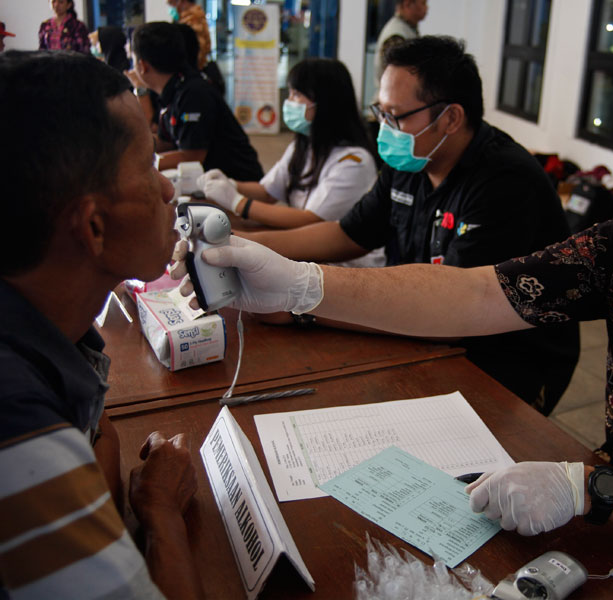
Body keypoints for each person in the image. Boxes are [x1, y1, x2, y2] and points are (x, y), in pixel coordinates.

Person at [173, 95, 613, 575]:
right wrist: (303, 286)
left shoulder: (501, 179)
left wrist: (593, 488)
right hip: (603, 542)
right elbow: (475, 293)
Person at [236, 36, 580, 413]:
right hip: (428, 335)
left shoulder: (506, 183)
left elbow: (451, 311)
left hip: (506, 358)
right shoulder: (411, 161)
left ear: (450, 118)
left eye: (396, 116)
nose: (384, 128)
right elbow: (347, 234)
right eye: (380, 112)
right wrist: (247, 244)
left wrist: (300, 307)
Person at [0, 50, 201, 598]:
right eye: (149, 167)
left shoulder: (44, 320)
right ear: (93, 227)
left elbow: (100, 432)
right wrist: (161, 513)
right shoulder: (18, 433)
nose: (167, 191)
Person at [199, 57, 384, 268]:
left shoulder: (354, 161)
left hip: (344, 265)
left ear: (325, 102)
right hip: (309, 251)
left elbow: (311, 220)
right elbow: (268, 191)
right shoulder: (304, 145)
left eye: (297, 94)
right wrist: (231, 184)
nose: (290, 102)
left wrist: (238, 202)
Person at [131, 21, 263, 180]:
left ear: (142, 65)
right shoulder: (171, 90)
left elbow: (192, 156)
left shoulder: (194, 93)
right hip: (208, 180)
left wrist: (141, 163)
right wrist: (131, 147)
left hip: (237, 183)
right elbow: (165, 142)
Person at [373, 0, 427, 94]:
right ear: (408, 4)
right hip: (394, 99)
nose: (427, 8)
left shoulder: (407, 29)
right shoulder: (397, 35)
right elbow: (399, 77)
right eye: (423, 3)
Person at [167, 0, 211, 70]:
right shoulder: (193, 16)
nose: (172, 7)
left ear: (182, 2)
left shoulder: (192, 19)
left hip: (191, 68)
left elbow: (198, 50)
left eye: (172, 3)